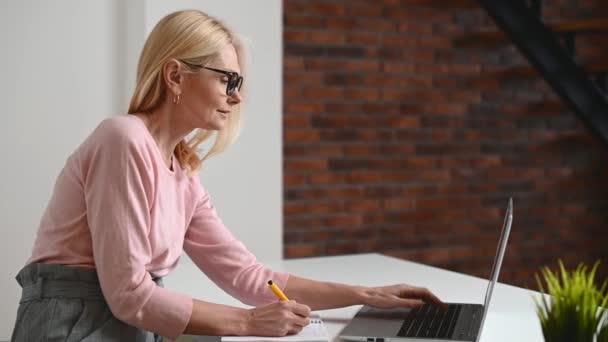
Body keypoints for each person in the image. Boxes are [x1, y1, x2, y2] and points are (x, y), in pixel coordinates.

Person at [10, 9, 445, 342]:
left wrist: (366, 296)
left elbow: (251, 278)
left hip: (129, 326)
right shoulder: (122, 139)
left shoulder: (183, 175)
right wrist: (250, 322)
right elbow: (129, 295)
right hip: (69, 324)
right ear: (175, 75)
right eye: (228, 80)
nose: (236, 98)